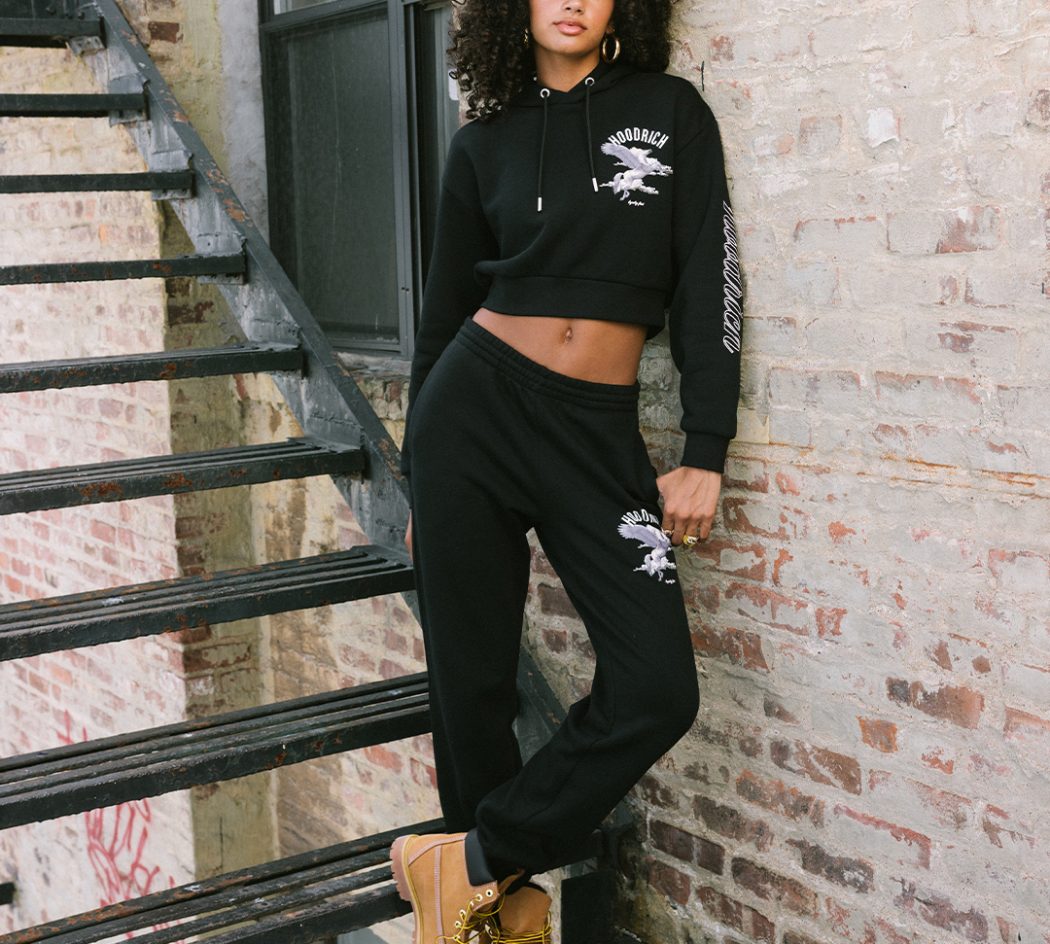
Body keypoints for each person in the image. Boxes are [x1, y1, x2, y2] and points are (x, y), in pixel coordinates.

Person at [389, 0, 744, 939]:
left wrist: (705, 449)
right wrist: (417, 477)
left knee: (657, 687)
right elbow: (441, 317)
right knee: (469, 685)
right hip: (471, 414)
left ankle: (470, 860)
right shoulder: (482, 143)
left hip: (594, 434)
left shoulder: (669, 112)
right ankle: (495, 913)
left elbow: (711, 282)